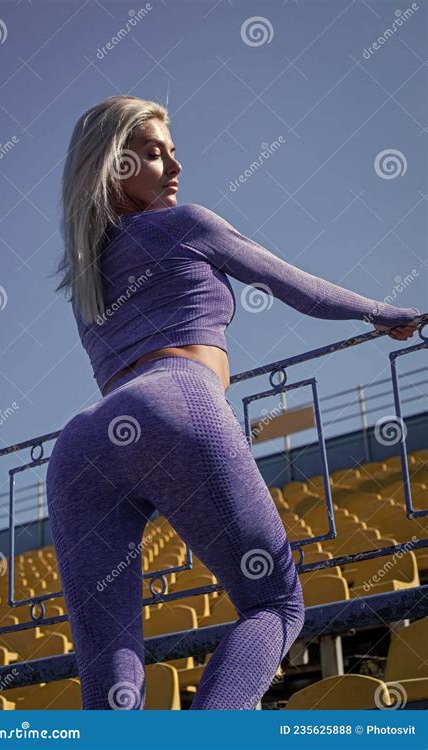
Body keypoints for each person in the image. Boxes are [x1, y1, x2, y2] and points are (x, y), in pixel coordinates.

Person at [46, 95, 420, 710]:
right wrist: (383, 312)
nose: (175, 166)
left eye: (171, 152)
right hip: (176, 402)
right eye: (152, 154)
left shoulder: (85, 277)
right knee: (275, 603)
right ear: (113, 167)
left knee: (111, 687)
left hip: (81, 446)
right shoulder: (186, 224)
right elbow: (295, 285)